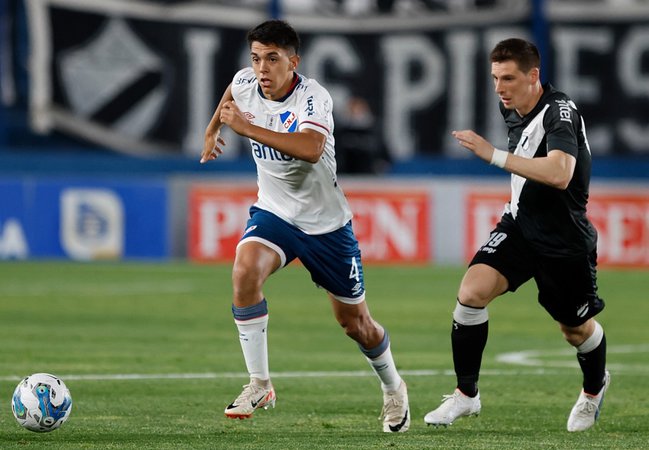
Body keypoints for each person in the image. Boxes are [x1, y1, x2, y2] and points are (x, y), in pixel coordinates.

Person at [199, 19, 409, 433]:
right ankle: (259, 383)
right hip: (275, 213)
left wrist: (245, 128)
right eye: (257, 58)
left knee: (356, 325)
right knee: (244, 270)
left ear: (293, 62)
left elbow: (312, 149)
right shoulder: (245, 83)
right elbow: (230, 95)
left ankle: (393, 387)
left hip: (326, 226)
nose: (262, 68)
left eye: (273, 59)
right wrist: (212, 131)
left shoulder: (313, 98)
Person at [424, 38, 609, 432]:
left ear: (534, 76)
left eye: (508, 78)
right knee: (471, 293)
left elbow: (561, 174)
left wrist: (492, 155)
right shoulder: (511, 107)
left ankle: (594, 389)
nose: (499, 88)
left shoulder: (560, 111)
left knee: (575, 329)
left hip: (564, 240)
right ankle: (466, 395)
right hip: (520, 227)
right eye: (494, 79)